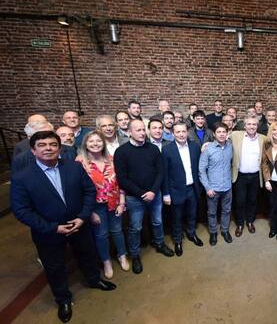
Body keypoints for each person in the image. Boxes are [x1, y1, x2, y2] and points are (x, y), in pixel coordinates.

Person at [10, 131, 116, 323]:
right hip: (48, 232)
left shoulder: (74, 168)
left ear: (59, 148)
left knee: (87, 254)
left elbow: (89, 191)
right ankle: (63, 299)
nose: (48, 148)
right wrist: (53, 228)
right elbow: (22, 210)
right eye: (42, 145)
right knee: (55, 266)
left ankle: (94, 279)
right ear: (33, 150)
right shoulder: (22, 177)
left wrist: (83, 217)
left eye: (52, 144)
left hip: (79, 224)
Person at [114, 119, 174, 275]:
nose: (142, 133)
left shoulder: (153, 149)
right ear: (129, 132)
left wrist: (153, 191)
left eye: (143, 130)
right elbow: (122, 178)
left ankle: (160, 244)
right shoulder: (121, 152)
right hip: (135, 198)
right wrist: (141, 193)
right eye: (138, 130)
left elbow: (160, 172)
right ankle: (135, 255)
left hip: (155, 194)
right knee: (135, 227)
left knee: (157, 221)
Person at [76, 131, 129, 279]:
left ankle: (122, 256)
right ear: (85, 144)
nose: (95, 144)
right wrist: (89, 212)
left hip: (115, 202)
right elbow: (78, 189)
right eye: (91, 141)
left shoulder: (112, 159)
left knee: (117, 231)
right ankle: (106, 262)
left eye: (98, 141)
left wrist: (122, 202)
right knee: (101, 235)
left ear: (103, 143)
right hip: (95, 206)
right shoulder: (80, 162)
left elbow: (121, 182)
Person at [162, 123, 204, 256]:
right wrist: (166, 193)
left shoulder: (195, 147)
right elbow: (165, 174)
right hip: (175, 190)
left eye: (183, 131)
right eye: (178, 132)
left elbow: (199, 167)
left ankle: (192, 234)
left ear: (187, 132)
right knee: (177, 217)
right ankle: (178, 240)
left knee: (192, 214)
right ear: (173, 133)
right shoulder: (167, 149)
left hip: (192, 188)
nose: (181, 134)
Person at [199, 123, 234, 246]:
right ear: (214, 134)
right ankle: (213, 232)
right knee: (212, 212)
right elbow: (202, 170)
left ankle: (224, 231)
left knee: (226, 210)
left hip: (227, 187)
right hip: (213, 188)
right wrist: (207, 188)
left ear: (227, 133)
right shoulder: (208, 149)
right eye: (219, 132)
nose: (221, 134)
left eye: (224, 132)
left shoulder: (230, 146)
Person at [231, 117, 265, 237]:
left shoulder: (263, 139)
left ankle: (250, 222)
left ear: (257, 126)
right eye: (249, 124)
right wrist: (207, 144)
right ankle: (240, 224)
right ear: (244, 126)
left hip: (256, 176)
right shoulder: (235, 135)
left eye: (254, 124)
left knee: (252, 201)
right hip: (240, 176)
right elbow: (220, 135)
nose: (251, 126)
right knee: (240, 201)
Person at [11, 121, 77, 174]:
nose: (47, 139)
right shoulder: (21, 160)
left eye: (50, 134)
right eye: (42, 136)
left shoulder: (69, 150)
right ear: (30, 138)